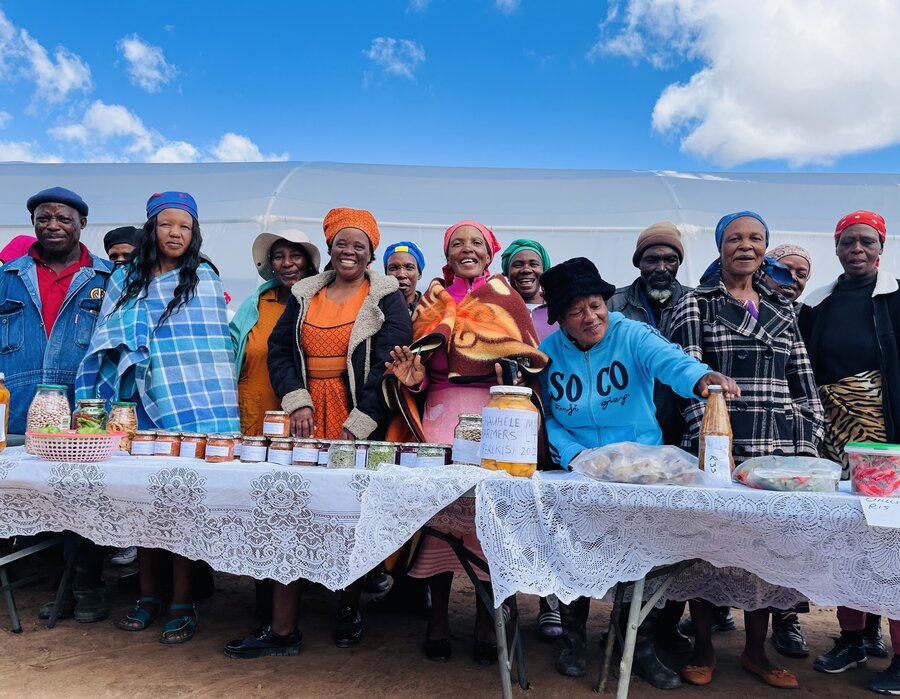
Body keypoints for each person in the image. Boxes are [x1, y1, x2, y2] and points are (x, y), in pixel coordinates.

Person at [538, 257, 738, 687]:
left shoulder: (631, 334)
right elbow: (548, 416)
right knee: (576, 551)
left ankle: (638, 644)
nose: (591, 317)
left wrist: (701, 378)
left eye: (596, 305)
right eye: (577, 311)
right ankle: (573, 641)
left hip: (638, 468)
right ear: (560, 319)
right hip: (578, 470)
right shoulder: (548, 354)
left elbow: (670, 360)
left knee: (640, 556)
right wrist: (575, 455)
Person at [225, 207, 412, 658]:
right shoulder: (305, 294)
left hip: (359, 421)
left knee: (349, 517)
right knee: (289, 513)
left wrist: (358, 425)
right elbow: (279, 353)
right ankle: (283, 629)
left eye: (360, 245)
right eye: (342, 243)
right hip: (305, 421)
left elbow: (390, 366)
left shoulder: (386, 297)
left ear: (370, 253)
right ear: (329, 249)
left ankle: (349, 607)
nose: (350, 252)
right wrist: (298, 401)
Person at [669, 211, 825, 690]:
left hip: (777, 451)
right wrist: (713, 448)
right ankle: (703, 646)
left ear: (765, 248)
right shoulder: (697, 304)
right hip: (720, 445)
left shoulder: (784, 309)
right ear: (719, 247)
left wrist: (807, 442)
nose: (745, 246)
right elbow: (687, 382)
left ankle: (756, 652)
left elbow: (805, 384)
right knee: (707, 548)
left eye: (755, 238)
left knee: (766, 551)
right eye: (734, 238)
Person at [77, 191, 239, 644]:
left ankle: (183, 601)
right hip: (137, 405)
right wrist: (135, 341)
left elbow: (209, 351)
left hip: (193, 408)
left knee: (181, 507)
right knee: (144, 507)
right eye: (167, 225)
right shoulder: (125, 276)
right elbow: (108, 330)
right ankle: (148, 597)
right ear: (152, 228)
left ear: (195, 233)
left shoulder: (203, 276)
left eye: (184, 227)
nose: (175, 233)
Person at [385, 220, 548, 665]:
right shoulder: (430, 302)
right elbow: (414, 371)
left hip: (495, 419)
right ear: (447, 253)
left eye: (476, 242)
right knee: (440, 518)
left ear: (490, 252)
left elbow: (529, 359)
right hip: (438, 416)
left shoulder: (506, 298)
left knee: (489, 519)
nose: (467, 248)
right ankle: (438, 618)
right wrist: (413, 379)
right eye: (458, 243)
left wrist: (511, 373)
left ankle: (484, 617)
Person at [0, 187, 113, 624]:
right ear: (32, 224)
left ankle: (85, 584)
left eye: (63, 218)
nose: (52, 225)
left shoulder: (107, 279)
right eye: (43, 218)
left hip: (84, 406)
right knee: (33, 494)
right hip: (20, 403)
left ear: (82, 224)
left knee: (86, 496)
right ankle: (52, 580)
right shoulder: (8, 277)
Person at [800, 210, 900, 694]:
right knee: (845, 532)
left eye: (866, 241)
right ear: (836, 248)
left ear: (880, 248)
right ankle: (855, 636)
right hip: (833, 430)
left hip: (886, 434)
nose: (857, 249)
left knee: (891, 539)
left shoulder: (896, 299)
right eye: (847, 242)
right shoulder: (818, 302)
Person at [762, 240, 816, 661]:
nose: (793, 279)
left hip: (792, 439)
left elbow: (807, 385)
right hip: (748, 435)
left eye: (801, 273)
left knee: (787, 540)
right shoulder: (750, 305)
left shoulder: (810, 316)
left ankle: (787, 619)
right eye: (785, 270)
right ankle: (722, 607)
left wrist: (809, 437)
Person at [230, 229, 320, 436]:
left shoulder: (320, 303)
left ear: (307, 262)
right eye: (279, 257)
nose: (287, 263)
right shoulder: (256, 304)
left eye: (295, 256)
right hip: (251, 412)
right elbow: (230, 350)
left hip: (304, 414)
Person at [607, 221, 688, 336]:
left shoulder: (697, 302)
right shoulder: (612, 305)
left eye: (670, 260)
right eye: (651, 260)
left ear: (679, 263)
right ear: (638, 263)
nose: (661, 268)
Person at [501, 238, 553, 341]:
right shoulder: (496, 310)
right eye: (517, 265)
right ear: (508, 272)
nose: (526, 270)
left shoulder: (558, 310)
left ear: (544, 271)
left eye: (533, 264)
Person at [765, 243, 812, 307]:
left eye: (801, 275)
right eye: (784, 269)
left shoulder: (808, 315)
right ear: (764, 273)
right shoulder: (748, 306)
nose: (792, 277)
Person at [384, 240, 425, 312]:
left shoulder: (432, 311)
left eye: (409, 268)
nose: (401, 274)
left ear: (419, 274)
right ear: (386, 274)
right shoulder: (375, 310)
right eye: (393, 268)